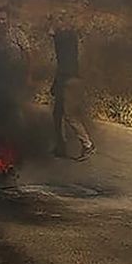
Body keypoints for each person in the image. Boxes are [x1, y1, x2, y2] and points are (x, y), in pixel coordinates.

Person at [49, 11, 96, 161]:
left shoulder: (67, 37)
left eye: (59, 20)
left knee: (70, 115)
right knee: (57, 114)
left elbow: (52, 32)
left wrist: (54, 25)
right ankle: (61, 146)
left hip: (69, 81)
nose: (56, 24)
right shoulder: (66, 37)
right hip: (64, 79)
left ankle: (87, 145)